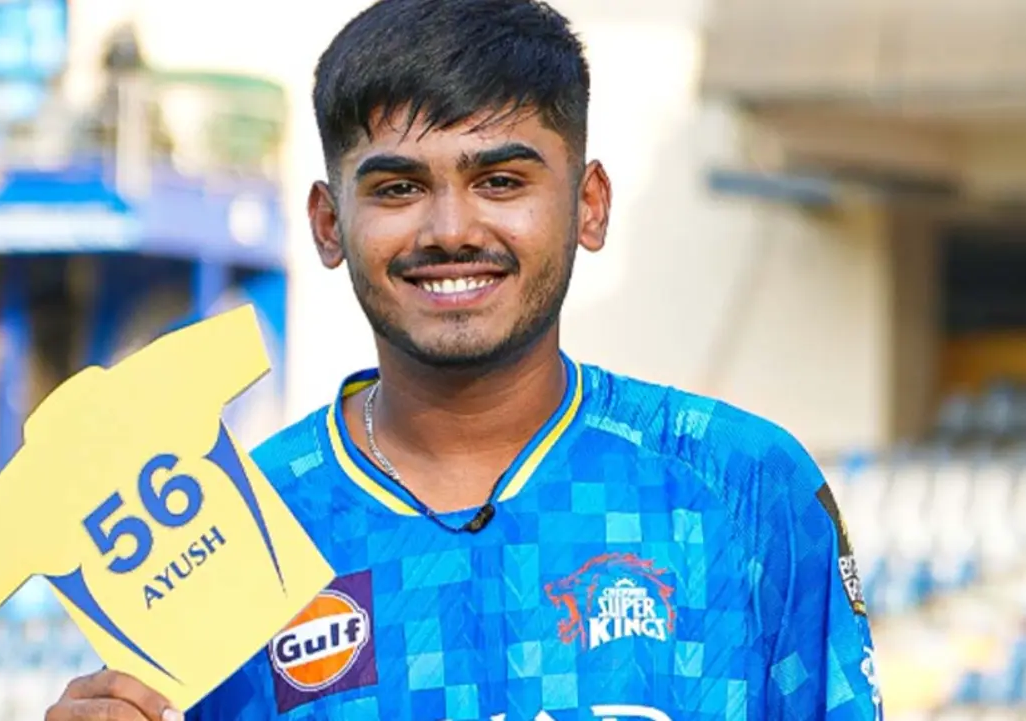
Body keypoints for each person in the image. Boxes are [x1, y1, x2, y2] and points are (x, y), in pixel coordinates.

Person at [45, 0, 884, 719]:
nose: (450, 229)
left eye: (501, 181)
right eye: (398, 188)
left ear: (588, 206)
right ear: (328, 225)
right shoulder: (233, 542)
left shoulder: (740, 487)